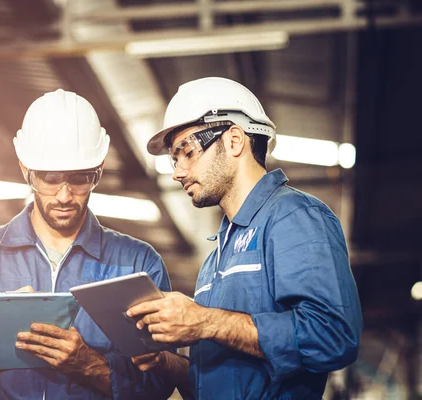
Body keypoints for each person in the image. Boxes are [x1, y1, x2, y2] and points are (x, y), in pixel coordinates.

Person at [0, 89, 175, 400]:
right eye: (50, 178)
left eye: (79, 178)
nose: (64, 196)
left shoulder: (137, 263)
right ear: (26, 170)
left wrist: (90, 365)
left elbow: (159, 383)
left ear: (99, 170)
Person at [127, 77, 363, 399]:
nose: (177, 172)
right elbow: (214, 383)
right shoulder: (217, 255)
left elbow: (333, 337)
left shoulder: (293, 217)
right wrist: (165, 362)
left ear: (235, 140)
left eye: (187, 152)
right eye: (173, 159)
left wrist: (205, 322)